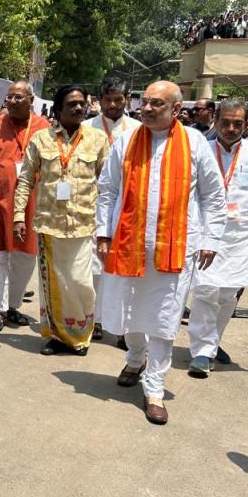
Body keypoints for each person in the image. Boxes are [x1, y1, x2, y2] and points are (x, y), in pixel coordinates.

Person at [96, 80, 225, 425]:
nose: (147, 108)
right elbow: (107, 189)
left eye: (156, 103)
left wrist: (211, 239)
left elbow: (213, 196)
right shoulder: (126, 140)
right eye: (145, 102)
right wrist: (102, 233)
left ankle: (154, 387)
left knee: (164, 317)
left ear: (176, 109)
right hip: (129, 245)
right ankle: (135, 358)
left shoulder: (195, 143)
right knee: (130, 309)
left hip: (175, 249)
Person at [186, 99, 248, 376]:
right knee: (206, 290)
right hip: (207, 233)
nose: (231, 128)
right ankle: (201, 351)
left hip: (242, 235)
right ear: (215, 122)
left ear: (247, 124)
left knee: (228, 294)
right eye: (225, 122)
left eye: (237, 123)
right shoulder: (202, 150)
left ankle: (212, 342)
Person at [13, 85, 108, 356]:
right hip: (49, 225)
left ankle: (81, 332)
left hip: (84, 223)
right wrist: (19, 216)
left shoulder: (98, 139)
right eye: (72, 104)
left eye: (82, 103)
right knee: (53, 283)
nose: (78, 108)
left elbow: (108, 184)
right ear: (57, 109)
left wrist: (107, 224)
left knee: (80, 282)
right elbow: (25, 180)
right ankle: (57, 336)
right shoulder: (41, 139)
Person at [0, 80, 49, 332]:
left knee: (25, 257)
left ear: (31, 100)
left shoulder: (44, 127)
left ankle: (12, 306)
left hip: (31, 203)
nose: (11, 101)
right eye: (9, 97)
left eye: (18, 97)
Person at [88, 77, 141, 341]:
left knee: (125, 267)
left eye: (118, 99)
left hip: (127, 206)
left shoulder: (139, 130)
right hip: (91, 204)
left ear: (127, 100)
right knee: (95, 265)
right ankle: (95, 320)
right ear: (99, 101)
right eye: (107, 100)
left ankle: (123, 328)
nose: (112, 105)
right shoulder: (87, 128)